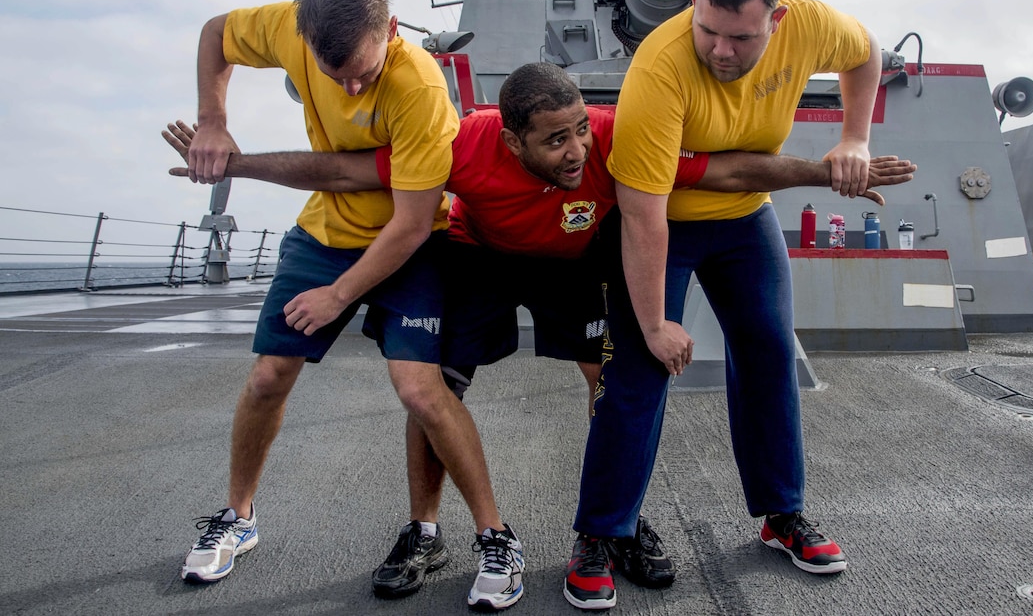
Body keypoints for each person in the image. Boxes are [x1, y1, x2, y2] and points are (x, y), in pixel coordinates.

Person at [165, 61, 912, 601]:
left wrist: (828, 171)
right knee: (438, 388)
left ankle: (620, 523)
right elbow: (345, 169)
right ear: (513, 139)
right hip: (481, 257)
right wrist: (236, 162)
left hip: (574, 263)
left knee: (610, 379)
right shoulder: (463, 143)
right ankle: (424, 531)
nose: (578, 151)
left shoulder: (614, 136)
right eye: (555, 140)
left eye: (580, 130)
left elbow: (717, 170)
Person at [177, 0, 525, 612]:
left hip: (411, 240)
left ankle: (483, 533)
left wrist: (339, 297)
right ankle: (238, 515)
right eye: (339, 77)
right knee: (266, 377)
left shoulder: (418, 85)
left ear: (391, 29)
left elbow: (412, 223)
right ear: (305, 43)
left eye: (365, 71)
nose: (355, 87)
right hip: (325, 233)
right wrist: (211, 119)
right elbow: (215, 33)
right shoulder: (289, 28)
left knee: (422, 388)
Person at [562, 0, 885, 610]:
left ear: (779, 16)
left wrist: (854, 137)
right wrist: (655, 324)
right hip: (665, 221)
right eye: (709, 29)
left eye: (741, 37)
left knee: (768, 352)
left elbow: (866, 52)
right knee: (639, 371)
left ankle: (781, 514)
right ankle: (599, 532)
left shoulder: (816, 25)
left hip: (743, 216)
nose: (721, 49)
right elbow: (644, 213)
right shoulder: (660, 67)